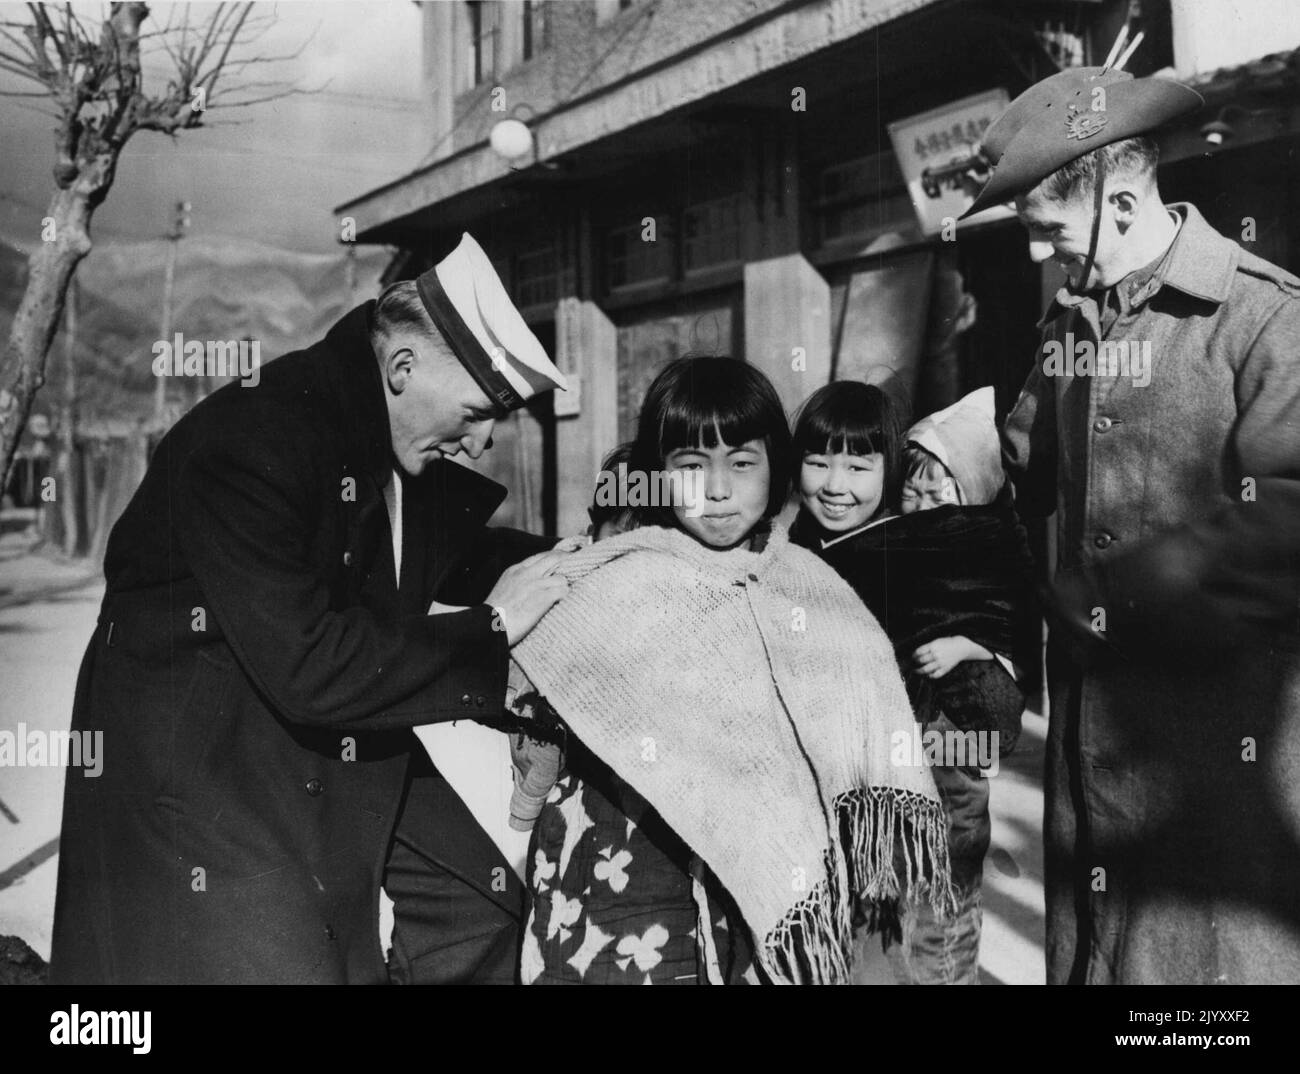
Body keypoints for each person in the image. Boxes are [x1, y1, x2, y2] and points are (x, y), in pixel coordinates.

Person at [49, 232, 572, 984]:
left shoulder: (385, 431)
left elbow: (446, 555)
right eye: (479, 410)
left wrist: (582, 556)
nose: (485, 441)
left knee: (475, 904)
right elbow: (309, 662)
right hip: (212, 758)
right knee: (292, 963)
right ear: (402, 366)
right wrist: (492, 628)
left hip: (318, 721)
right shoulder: (256, 438)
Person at [967, 66, 1300, 983]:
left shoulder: (1262, 319)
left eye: (1047, 229)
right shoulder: (1073, 323)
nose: (1040, 255)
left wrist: (1121, 592)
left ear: (1119, 194)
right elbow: (1019, 463)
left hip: (1217, 772)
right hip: (1090, 766)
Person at [512, 357, 955, 985]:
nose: (717, 490)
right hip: (624, 870)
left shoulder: (809, 586)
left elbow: (857, 731)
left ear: (776, 468)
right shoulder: (615, 579)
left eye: (742, 463)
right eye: (691, 466)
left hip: (751, 898)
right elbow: (532, 680)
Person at [791, 383, 1035, 984]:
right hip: (842, 795)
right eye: (819, 462)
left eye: (858, 464)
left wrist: (972, 651)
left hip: (939, 775)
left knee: (935, 931)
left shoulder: (947, 550)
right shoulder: (798, 550)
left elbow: (1011, 654)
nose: (835, 482)